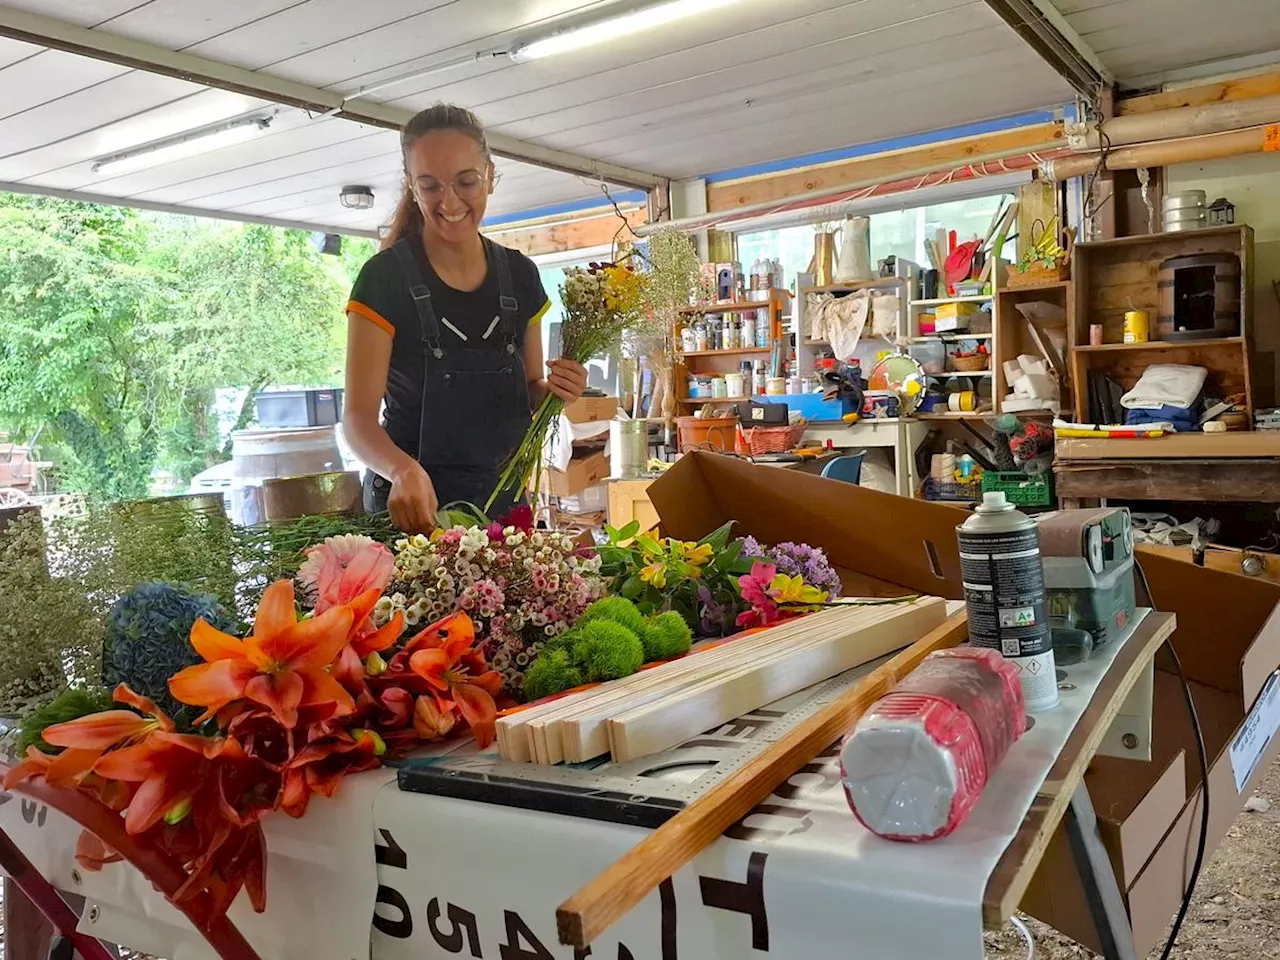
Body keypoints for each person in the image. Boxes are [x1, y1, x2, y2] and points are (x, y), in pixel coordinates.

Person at [343, 104, 588, 533]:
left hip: (503, 508)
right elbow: (358, 422)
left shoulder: (521, 277)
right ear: (412, 187)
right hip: (413, 513)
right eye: (430, 186)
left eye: (466, 182)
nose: (450, 201)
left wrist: (556, 391)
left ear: (490, 174)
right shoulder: (384, 280)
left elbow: (530, 389)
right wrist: (402, 470)